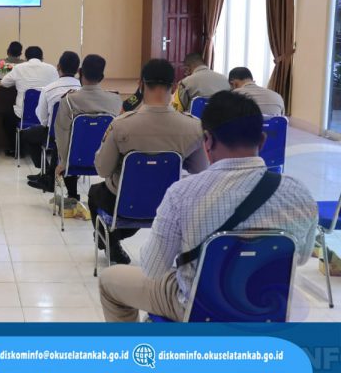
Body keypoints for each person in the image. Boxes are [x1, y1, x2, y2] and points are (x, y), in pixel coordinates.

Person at [99, 91, 317, 322]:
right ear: (262, 141)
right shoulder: (299, 193)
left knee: (110, 281)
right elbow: (301, 257)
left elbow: (153, 269)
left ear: (208, 140)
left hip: (198, 309)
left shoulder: (182, 193)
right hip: (266, 310)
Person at [90, 59, 209, 264]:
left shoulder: (121, 125)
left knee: (96, 193)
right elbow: (200, 169)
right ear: (174, 87)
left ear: (141, 84)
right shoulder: (194, 127)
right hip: (170, 204)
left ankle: (110, 239)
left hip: (125, 204)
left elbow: (102, 169)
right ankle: (112, 239)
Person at [47, 54, 122, 204]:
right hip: (106, 162)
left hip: (74, 161)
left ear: (80, 72)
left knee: (69, 140)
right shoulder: (115, 100)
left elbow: (61, 135)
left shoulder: (69, 100)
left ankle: (72, 195)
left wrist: (64, 163)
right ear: (102, 77)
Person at [25, 51, 82, 191]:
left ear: (58, 67)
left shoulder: (49, 89)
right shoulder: (82, 90)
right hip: (79, 137)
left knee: (27, 134)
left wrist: (49, 124)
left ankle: (46, 171)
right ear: (77, 70)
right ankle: (51, 173)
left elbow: (42, 118)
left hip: (53, 134)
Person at [0, 46, 58, 157]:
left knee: (7, 118)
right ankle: (48, 146)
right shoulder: (51, 69)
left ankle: (17, 149)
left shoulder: (19, 68)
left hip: (23, 115)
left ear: (26, 57)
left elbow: (4, 83)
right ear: (42, 57)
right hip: (46, 115)